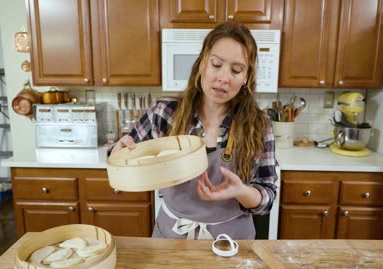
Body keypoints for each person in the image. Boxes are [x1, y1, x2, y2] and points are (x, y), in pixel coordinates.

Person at [108, 22, 277, 240]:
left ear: (246, 78)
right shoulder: (165, 113)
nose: (224, 78)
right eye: (216, 64)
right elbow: (120, 158)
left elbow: (268, 197)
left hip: (232, 241)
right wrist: (119, 152)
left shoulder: (259, 125)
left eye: (236, 70)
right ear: (201, 65)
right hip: (171, 238)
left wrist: (241, 192)